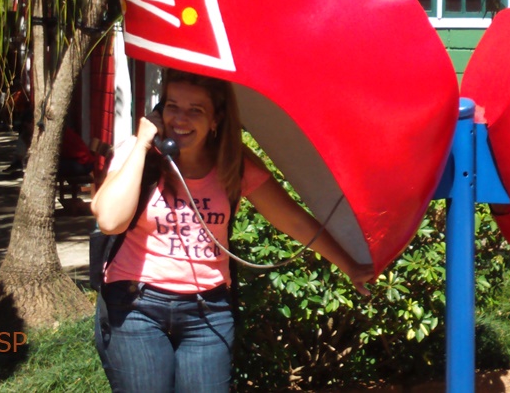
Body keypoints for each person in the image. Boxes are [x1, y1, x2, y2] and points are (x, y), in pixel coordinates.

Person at [91, 69, 371, 393]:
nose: (180, 119)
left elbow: (292, 220)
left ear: (216, 119)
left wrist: (349, 265)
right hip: (136, 305)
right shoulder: (138, 156)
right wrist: (142, 144)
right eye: (172, 106)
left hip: (207, 310)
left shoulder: (233, 165)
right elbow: (110, 221)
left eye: (195, 110)